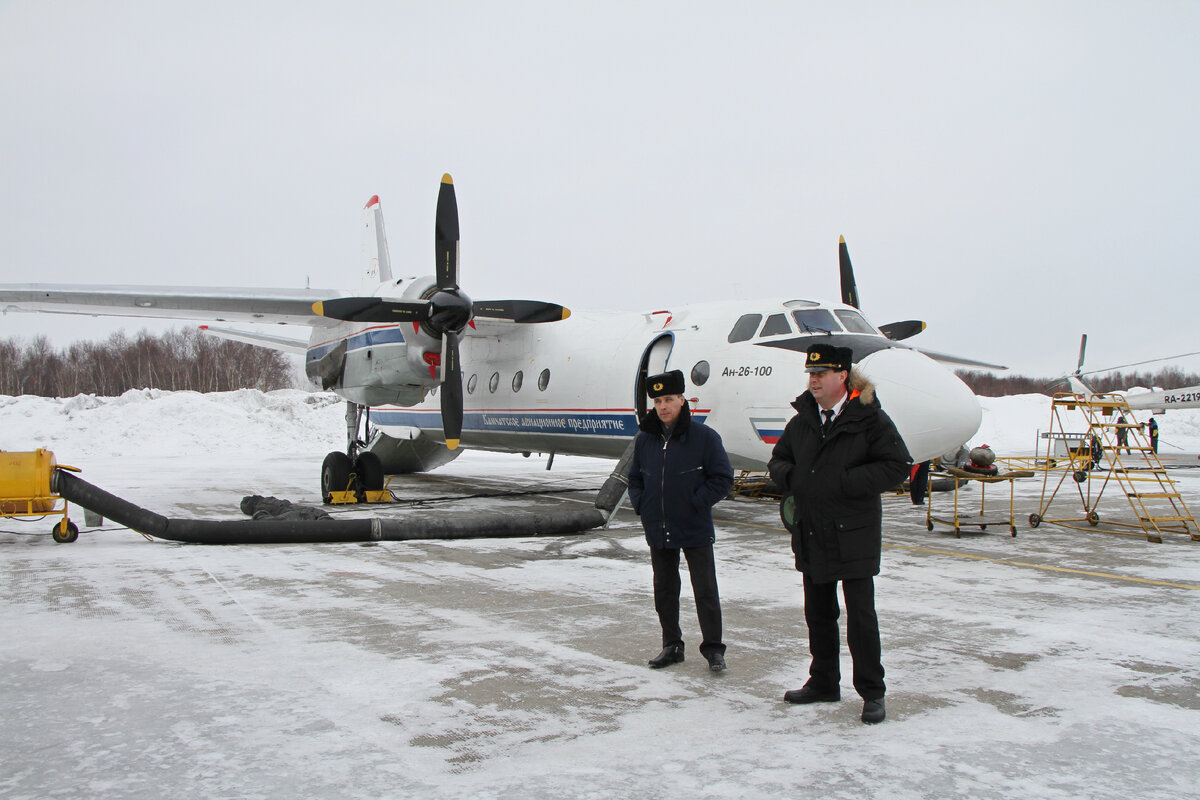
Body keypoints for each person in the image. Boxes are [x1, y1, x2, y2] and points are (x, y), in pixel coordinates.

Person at [768, 343, 911, 724]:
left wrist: (846, 481)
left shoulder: (869, 419)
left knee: (861, 618)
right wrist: (795, 478)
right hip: (813, 531)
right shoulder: (803, 421)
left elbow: (898, 465)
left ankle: (872, 692)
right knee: (819, 614)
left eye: (821, 373)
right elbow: (778, 461)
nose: (813, 380)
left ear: (842, 376)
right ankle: (823, 682)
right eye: (811, 374)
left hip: (854, 534)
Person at [628, 369, 734, 672]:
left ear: (682, 400)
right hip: (658, 527)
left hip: (694, 526)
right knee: (665, 589)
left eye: (669, 399)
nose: (663, 406)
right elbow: (634, 479)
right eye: (658, 400)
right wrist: (642, 505)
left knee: (705, 590)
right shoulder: (645, 440)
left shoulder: (704, 438)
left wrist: (696, 504)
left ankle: (714, 649)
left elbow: (722, 479)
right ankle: (671, 645)